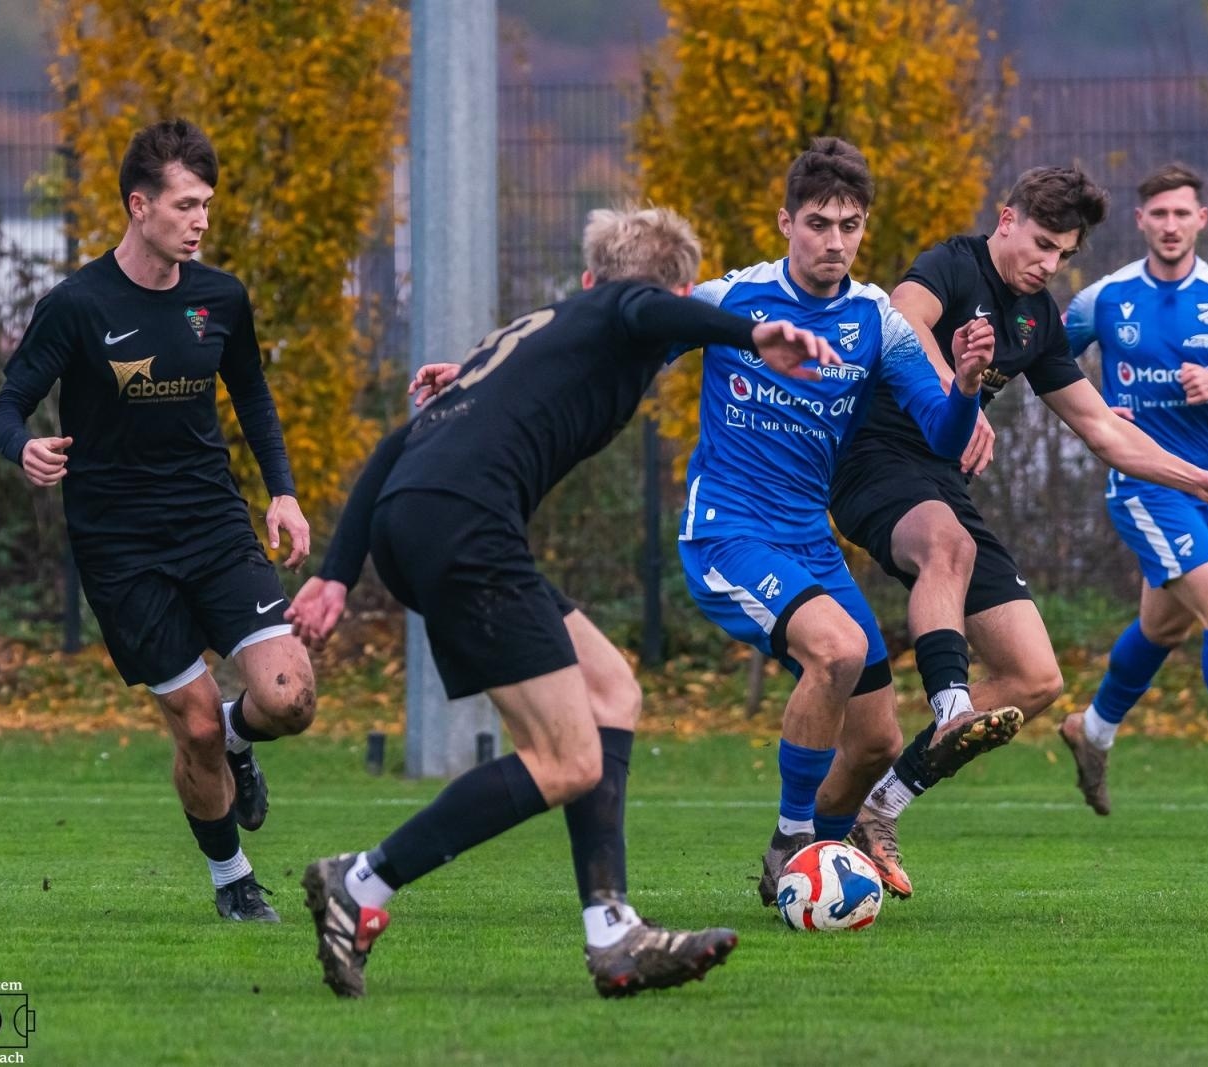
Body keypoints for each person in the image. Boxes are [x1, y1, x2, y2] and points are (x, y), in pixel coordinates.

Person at [286, 205, 840, 999]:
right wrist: (749, 333)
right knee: (568, 759)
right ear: (673, 289)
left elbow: (393, 444)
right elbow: (644, 306)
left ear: (584, 278)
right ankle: (363, 881)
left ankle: (610, 929)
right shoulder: (626, 310)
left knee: (612, 689)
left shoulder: (536, 328)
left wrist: (338, 572)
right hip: (465, 523)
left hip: (419, 517)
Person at [829, 166, 1208, 898]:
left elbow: (1100, 428)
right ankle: (950, 705)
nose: (1048, 263)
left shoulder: (1038, 318)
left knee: (1037, 678)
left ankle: (876, 810)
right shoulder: (952, 263)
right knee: (948, 545)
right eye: (1040, 244)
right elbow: (899, 316)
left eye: (1062, 253)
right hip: (872, 461)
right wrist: (952, 391)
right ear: (1006, 218)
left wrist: (1201, 479)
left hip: (938, 483)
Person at [0, 118, 316, 922]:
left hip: (213, 525)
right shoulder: (77, 306)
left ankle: (244, 736)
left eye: (207, 205)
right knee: (193, 728)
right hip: (122, 549)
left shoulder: (221, 297)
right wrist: (23, 448)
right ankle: (233, 880)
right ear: (140, 206)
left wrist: (283, 489)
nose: (201, 220)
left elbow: (254, 395)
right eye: (187, 205)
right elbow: (5, 407)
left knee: (290, 697)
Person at [671, 137, 995, 909]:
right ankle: (792, 843)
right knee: (840, 648)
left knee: (879, 740)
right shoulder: (733, 298)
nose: (834, 241)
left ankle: (812, 867)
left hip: (809, 544)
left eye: (850, 225)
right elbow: (617, 334)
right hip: (728, 534)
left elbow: (943, 436)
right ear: (786, 222)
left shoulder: (875, 320)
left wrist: (969, 385)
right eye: (818, 222)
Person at [1061, 163, 1208, 831]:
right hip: (1143, 486)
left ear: (1203, 219)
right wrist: (1096, 409)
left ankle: (1093, 731)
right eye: (1157, 214)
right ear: (1140, 221)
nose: (1170, 225)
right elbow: (1044, 361)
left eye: (1181, 214)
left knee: (1163, 627)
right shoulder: (1103, 299)